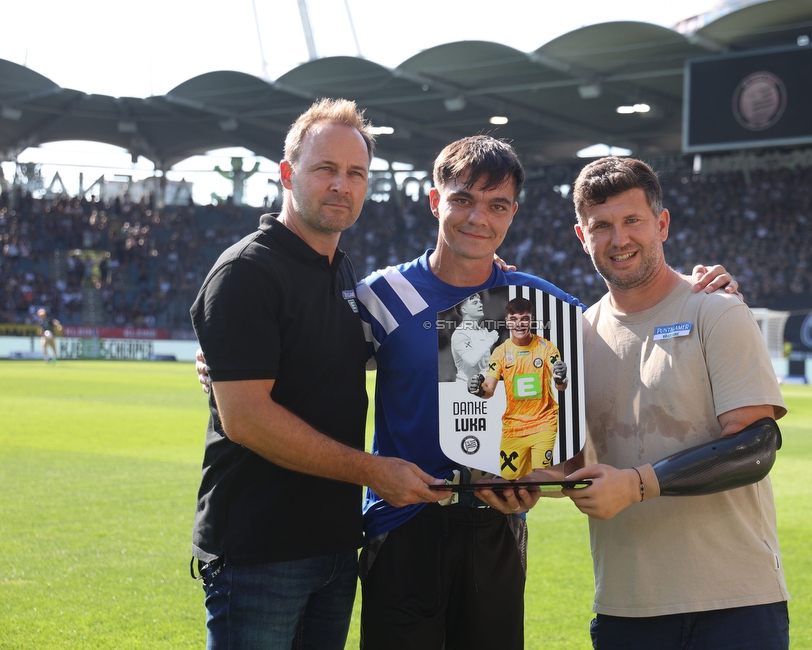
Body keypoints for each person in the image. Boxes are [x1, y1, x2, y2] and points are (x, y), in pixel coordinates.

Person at [196, 135, 739, 649]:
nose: (479, 218)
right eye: (463, 199)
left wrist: (700, 287)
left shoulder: (542, 305)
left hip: (496, 526)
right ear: (435, 201)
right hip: (399, 524)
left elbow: (586, 402)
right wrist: (213, 366)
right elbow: (299, 358)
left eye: (497, 205)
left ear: (513, 214)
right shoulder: (379, 297)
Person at [188, 98, 441, 650]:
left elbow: (414, 342)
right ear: (288, 173)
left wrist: (492, 284)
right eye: (326, 168)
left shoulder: (344, 272)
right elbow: (248, 419)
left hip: (333, 547)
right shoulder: (246, 272)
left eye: (356, 173)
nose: (341, 185)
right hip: (261, 553)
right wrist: (372, 470)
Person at [515, 156, 790, 649]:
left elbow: (757, 445)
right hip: (627, 607)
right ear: (582, 236)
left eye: (632, 220)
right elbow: (568, 465)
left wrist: (638, 485)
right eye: (601, 226)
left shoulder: (716, 310)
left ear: (661, 223)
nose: (618, 239)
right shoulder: (572, 340)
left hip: (736, 604)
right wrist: (515, 480)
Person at [468, 296, 568, 479]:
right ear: (507, 321)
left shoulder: (546, 347)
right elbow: (488, 390)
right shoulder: (500, 352)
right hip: (513, 428)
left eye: (524, 319)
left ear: (531, 320)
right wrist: (478, 389)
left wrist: (560, 377)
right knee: (508, 483)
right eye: (514, 319)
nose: (519, 324)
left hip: (543, 422)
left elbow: (560, 384)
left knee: (539, 478)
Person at [451, 291, 498, 382]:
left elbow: (487, 364)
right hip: (465, 387)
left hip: (485, 385)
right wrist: (489, 340)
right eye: (475, 303)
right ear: (464, 310)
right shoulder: (460, 334)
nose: (480, 305)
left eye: (480, 302)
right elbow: (471, 360)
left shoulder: (483, 331)